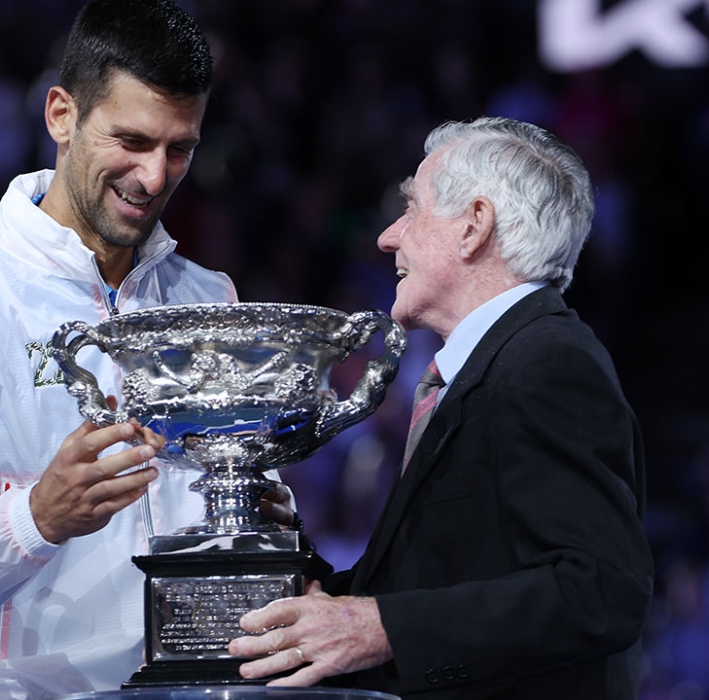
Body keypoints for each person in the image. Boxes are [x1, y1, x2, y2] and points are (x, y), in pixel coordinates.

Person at [0, 1, 293, 697]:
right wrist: (37, 517)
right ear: (61, 115)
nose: (155, 177)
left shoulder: (211, 299)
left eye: (179, 148)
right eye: (131, 140)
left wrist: (265, 516)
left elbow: (248, 514)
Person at [228, 116, 654, 699]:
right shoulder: (491, 367)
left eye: (412, 208)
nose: (388, 236)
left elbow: (601, 591)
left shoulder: (549, 364)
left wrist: (379, 629)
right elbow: (440, 589)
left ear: (474, 226)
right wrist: (308, 575)